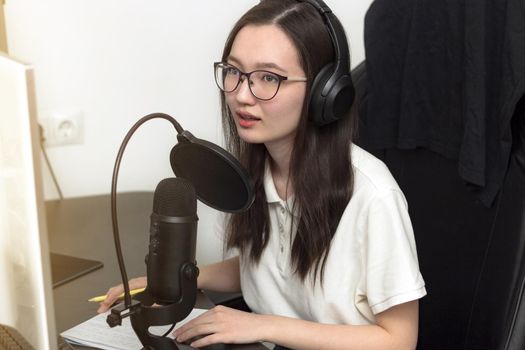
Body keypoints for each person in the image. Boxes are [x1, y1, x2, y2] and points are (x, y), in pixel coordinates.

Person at [98, 1, 426, 349]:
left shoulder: (373, 196)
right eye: (233, 72)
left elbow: (399, 340)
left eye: (268, 77)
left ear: (323, 92)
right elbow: (270, 268)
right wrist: (175, 280)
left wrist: (262, 326)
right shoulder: (254, 174)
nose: (240, 95)